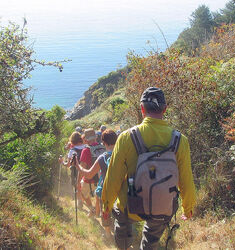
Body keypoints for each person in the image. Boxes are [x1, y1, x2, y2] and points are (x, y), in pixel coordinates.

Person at [101, 87, 196, 250]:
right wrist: (188, 208)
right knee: (151, 239)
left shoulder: (126, 137)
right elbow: (186, 179)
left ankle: (124, 244)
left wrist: (106, 206)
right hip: (163, 206)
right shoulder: (181, 141)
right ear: (165, 109)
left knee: (121, 222)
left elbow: (113, 178)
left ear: (142, 108)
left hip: (131, 205)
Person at [75, 129, 117, 237]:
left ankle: (108, 233)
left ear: (104, 142)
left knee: (106, 210)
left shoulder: (102, 157)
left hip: (105, 188)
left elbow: (88, 174)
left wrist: (77, 166)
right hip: (120, 188)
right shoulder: (122, 155)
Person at [78, 128, 105, 217]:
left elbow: (82, 167)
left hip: (89, 179)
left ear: (85, 140)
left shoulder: (86, 150)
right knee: (98, 196)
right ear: (96, 137)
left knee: (82, 192)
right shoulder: (103, 147)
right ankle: (98, 213)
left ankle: (92, 209)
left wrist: (78, 181)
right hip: (102, 178)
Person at [58, 131, 86, 208]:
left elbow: (69, 164)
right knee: (84, 186)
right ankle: (86, 201)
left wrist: (62, 162)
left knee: (77, 186)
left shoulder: (72, 150)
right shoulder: (86, 147)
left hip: (76, 171)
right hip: (86, 169)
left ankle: (80, 202)